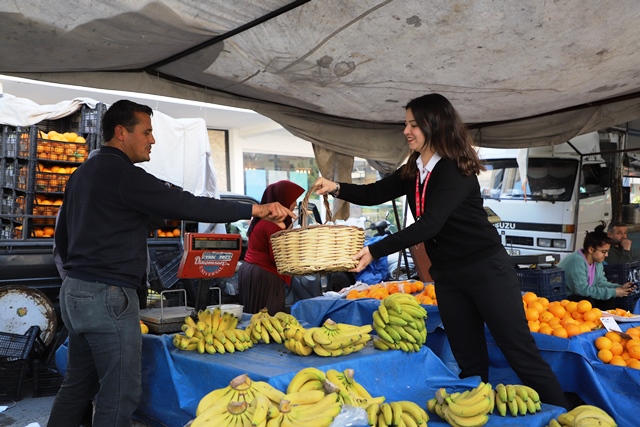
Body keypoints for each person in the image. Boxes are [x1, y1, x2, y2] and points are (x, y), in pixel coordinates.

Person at [313, 93, 570, 409]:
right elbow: (376, 192)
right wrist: (336, 187)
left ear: (434, 125)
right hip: (448, 276)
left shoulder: (454, 170)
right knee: (468, 358)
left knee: (520, 352)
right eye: (406, 124)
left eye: (413, 125)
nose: (406, 131)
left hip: (486, 271)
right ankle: (474, 410)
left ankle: (563, 414)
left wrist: (376, 250)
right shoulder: (415, 169)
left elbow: (430, 224)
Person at [48, 99, 294, 427]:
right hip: (108, 295)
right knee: (119, 394)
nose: (152, 140)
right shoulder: (123, 174)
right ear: (121, 132)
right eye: (146, 132)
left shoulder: (81, 175)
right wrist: (256, 210)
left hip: (75, 292)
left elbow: (62, 238)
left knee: (77, 386)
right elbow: (186, 204)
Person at [238, 180, 304, 314]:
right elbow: (279, 258)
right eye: (292, 199)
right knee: (268, 318)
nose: (295, 204)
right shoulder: (274, 224)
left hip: (251, 271)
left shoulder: (263, 220)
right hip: (264, 275)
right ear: (282, 201)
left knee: (253, 316)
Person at [558, 222, 636, 310]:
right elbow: (582, 290)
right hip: (565, 299)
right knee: (588, 302)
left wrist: (619, 287)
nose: (606, 255)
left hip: (582, 294)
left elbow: (600, 282)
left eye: (607, 251)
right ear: (591, 249)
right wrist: (614, 292)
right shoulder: (577, 261)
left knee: (609, 300)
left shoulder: (597, 261)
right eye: (603, 252)